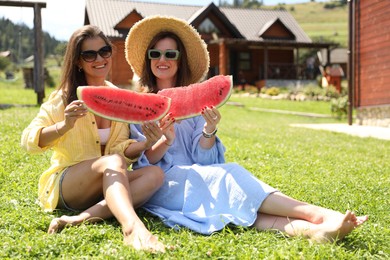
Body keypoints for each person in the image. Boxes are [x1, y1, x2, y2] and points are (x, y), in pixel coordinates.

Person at [51, 17, 368, 244]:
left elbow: (205, 163)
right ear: (148, 60)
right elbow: (140, 165)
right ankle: (319, 214)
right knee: (230, 176)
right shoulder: (135, 105)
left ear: (179, 60)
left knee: (240, 207)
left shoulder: (195, 102)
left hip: (201, 177)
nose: (163, 59)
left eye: (170, 54)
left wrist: (208, 131)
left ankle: (316, 232)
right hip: (164, 186)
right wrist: (161, 141)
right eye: (156, 53)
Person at [20, 25, 166, 252]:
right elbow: (28, 140)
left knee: (155, 174)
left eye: (104, 51)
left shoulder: (119, 97)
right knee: (114, 161)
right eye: (89, 54)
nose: (99, 59)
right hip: (68, 184)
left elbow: (120, 147)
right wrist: (64, 125)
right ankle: (131, 228)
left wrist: (147, 143)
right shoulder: (63, 98)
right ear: (78, 61)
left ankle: (79, 219)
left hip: (108, 181)